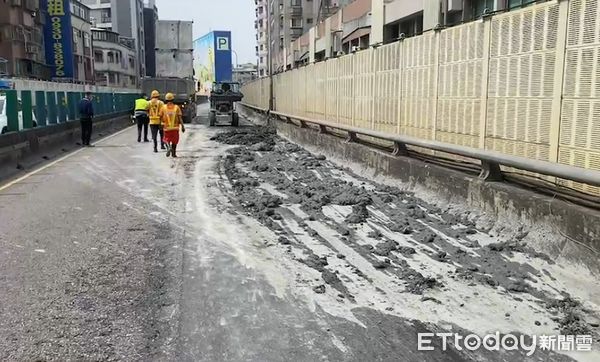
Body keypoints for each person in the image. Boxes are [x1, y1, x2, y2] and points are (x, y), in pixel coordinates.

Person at [162, 92, 185, 158]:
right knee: (175, 141)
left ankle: (168, 147)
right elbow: (180, 118)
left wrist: (160, 124)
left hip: (166, 128)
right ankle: (173, 154)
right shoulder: (176, 107)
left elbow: (160, 116)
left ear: (166, 100)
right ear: (173, 100)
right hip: (175, 128)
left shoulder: (163, 107)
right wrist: (183, 126)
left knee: (166, 139)